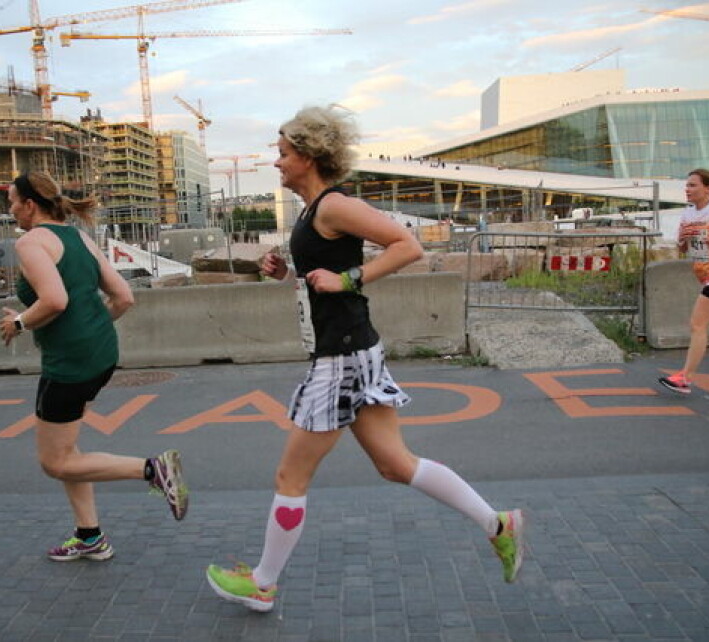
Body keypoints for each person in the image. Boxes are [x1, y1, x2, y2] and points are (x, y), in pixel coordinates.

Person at [205, 106, 524, 613]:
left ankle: (263, 582)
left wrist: (350, 278)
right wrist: (283, 270)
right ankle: (496, 523)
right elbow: (322, 278)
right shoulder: (312, 213)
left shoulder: (333, 206)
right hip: (353, 348)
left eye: (283, 154)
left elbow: (407, 246)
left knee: (291, 478)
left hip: (342, 358)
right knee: (396, 465)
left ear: (308, 156)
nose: (277, 163)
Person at [0, 170, 188, 562]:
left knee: (55, 461)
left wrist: (18, 323)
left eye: (12, 202)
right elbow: (123, 297)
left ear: (30, 205)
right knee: (69, 447)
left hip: (68, 363)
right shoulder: (79, 237)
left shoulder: (33, 242)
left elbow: (54, 299)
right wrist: (91, 329)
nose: (11, 210)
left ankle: (154, 470)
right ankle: (90, 536)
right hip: (101, 353)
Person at [658, 168, 709, 395]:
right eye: (687, 185)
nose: (687, 189)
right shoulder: (687, 214)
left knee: (697, 324)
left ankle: (685, 378)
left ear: (708, 189)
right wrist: (682, 242)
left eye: (693, 185)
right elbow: (683, 247)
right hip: (706, 276)